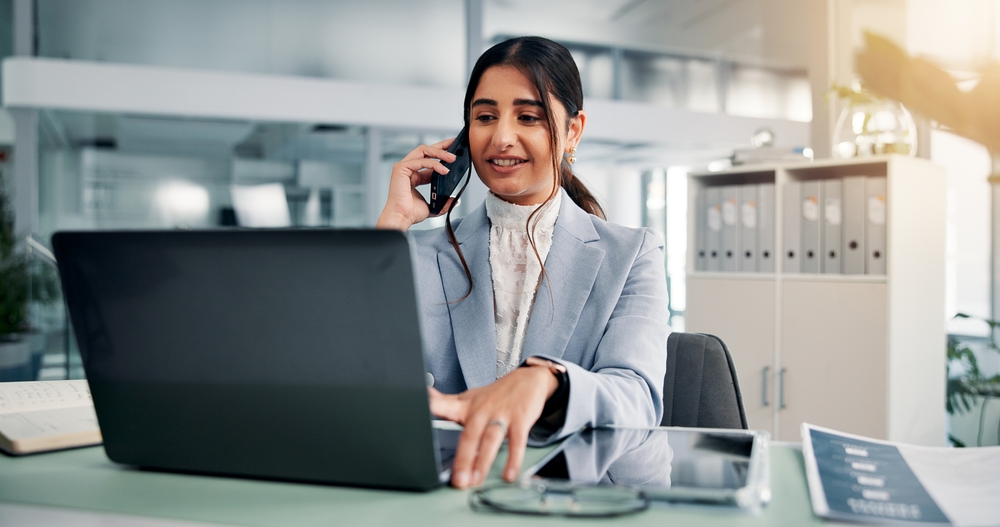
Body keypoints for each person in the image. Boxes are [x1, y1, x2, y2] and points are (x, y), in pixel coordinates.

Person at [377, 36, 669, 489]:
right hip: (453, 491)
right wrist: (394, 222)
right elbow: (347, 369)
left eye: (528, 117)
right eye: (485, 117)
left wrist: (549, 381)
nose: (501, 137)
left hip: (587, 495)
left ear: (572, 131)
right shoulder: (419, 253)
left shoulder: (632, 253)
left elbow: (637, 397)